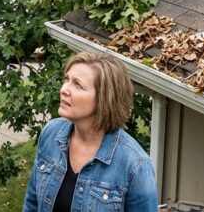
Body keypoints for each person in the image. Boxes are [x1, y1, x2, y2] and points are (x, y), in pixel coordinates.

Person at [23, 52, 157, 212]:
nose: (64, 89)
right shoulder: (51, 133)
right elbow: (32, 203)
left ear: (104, 99)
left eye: (78, 85)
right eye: (67, 79)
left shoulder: (135, 166)